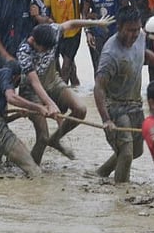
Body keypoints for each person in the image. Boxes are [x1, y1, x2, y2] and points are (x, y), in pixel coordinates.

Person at [94, 6, 154, 183]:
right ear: (119, 28)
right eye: (130, 30)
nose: (135, 34)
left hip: (135, 103)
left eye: (137, 29)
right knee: (127, 152)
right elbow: (99, 87)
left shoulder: (141, 36)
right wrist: (106, 119)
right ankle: (121, 193)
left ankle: (101, 173)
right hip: (115, 105)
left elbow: (145, 53)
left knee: (137, 151)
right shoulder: (110, 54)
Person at [18, 17, 111, 164]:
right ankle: (32, 172)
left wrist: (96, 23)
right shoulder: (24, 51)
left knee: (80, 110)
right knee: (42, 137)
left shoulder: (53, 30)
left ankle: (55, 140)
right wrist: (49, 104)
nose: (48, 52)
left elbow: (72, 23)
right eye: (45, 49)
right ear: (34, 42)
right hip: (31, 91)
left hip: (53, 80)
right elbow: (34, 83)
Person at [0, 61, 54, 177]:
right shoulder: (6, 73)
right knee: (33, 168)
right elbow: (12, 97)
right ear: (16, 77)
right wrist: (38, 107)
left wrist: (18, 114)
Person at [42, 0, 85, 86]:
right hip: (56, 30)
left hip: (73, 30)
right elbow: (47, 7)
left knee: (66, 65)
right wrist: (48, 19)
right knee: (58, 66)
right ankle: (74, 89)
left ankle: (62, 98)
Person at [82, 0, 121, 69]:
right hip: (97, 34)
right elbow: (84, 14)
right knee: (98, 69)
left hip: (115, 33)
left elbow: (125, 10)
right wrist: (88, 32)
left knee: (116, 68)